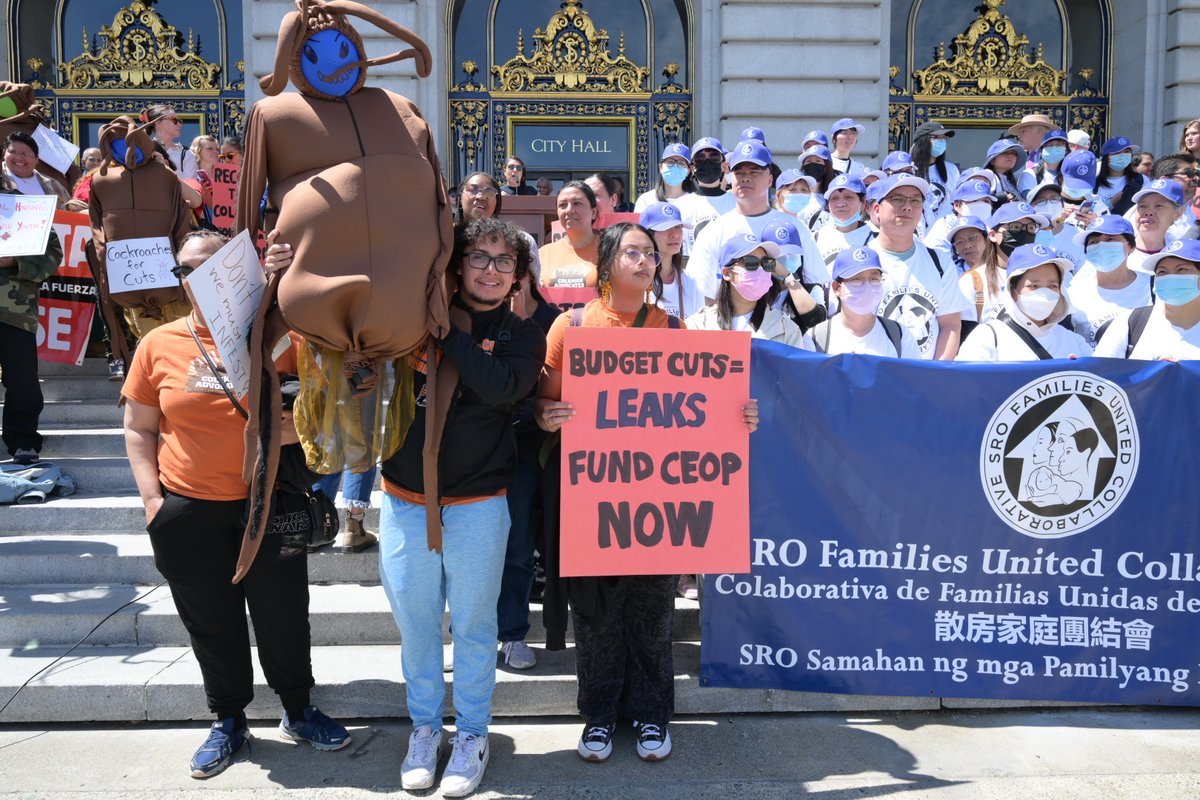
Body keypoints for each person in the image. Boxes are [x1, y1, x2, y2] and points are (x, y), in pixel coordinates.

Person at [122, 230, 350, 779]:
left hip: (269, 504)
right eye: (186, 271)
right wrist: (154, 501)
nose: (197, 279)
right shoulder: (159, 344)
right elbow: (138, 428)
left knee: (284, 614)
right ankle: (228, 720)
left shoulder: (281, 338)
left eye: (210, 267)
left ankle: (297, 709)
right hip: (189, 508)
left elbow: (321, 410)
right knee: (210, 620)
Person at [536, 221, 759, 764]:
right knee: (596, 618)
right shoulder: (572, 326)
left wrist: (739, 418)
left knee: (652, 615)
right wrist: (547, 416)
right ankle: (599, 717)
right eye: (632, 252)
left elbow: (699, 412)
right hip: (593, 499)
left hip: (657, 503)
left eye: (650, 254)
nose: (644, 262)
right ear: (607, 262)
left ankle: (654, 716)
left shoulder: (673, 328)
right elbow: (541, 404)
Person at [380, 216, 545, 796]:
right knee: (418, 627)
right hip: (404, 499)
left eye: (506, 263)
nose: (492, 271)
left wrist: (447, 330)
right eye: (479, 257)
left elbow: (502, 386)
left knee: (474, 627)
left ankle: (472, 733)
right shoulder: (407, 320)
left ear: (519, 276)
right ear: (456, 264)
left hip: (478, 503)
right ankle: (425, 729)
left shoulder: (525, 334)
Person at [687, 140, 822, 302]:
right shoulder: (713, 232)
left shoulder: (796, 227)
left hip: (784, 324)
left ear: (770, 180)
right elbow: (703, 293)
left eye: (754, 172)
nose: (746, 178)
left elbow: (815, 283)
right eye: (739, 173)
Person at [867, 173, 964, 359]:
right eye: (897, 199)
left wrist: (934, 373)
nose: (907, 207)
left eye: (915, 200)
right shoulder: (862, 261)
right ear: (877, 209)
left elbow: (950, 324)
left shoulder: (940, 262)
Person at [0, 176, 62, 465]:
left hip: (15, 311)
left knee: (22, 380)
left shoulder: (24, 206)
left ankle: (23, 440)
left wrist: (15, 261)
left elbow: (52, 254)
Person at [957, 244, 1090, 361]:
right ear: (1013, 290)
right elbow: (966, 384)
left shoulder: (1073, 341)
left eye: (1052, 286)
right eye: (1033, 286)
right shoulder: (987, 337)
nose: (1044, 293)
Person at [686, 230, 805, 346]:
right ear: (727, 273)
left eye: (766, 263)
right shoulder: (697, 326)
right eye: (751, 262)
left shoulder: (787, 330)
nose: (760, 269)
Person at [1094, 238, 1200, 359]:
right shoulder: (1130, 321)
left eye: (1181, 270)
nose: (1170, 277)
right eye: (1162, 272)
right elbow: (1099, 371)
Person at [803, 247, 918, 357]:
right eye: (856, 279)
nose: (867, 286)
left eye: (874, 279)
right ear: (836, 288)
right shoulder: (815, 339)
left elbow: (912, 376)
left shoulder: (900, 336)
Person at [1065, 214, 1151, 348]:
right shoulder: (1072, 294)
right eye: (1093, 242)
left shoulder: (1154, 287)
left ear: (1131, 247)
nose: (1101, 246)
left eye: (1110, 239)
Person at [640, 201, 702, 319]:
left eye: (678, 227)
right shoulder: (636, 280)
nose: (674, 234)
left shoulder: (691, 281)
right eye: (665, 228)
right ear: (647, 235)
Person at [673, 136, 734, 252]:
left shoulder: (737, 204)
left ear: (724, 166)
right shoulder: (680, 206)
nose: (707, 162)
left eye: (714, 157)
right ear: (692, 168)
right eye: (700, 158)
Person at [539, 180, 600, 288]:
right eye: (563, 205)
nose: (569, 210)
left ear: (594, 212)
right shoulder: (543, 255)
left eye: (577, 203)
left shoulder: (610, 252)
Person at [951, 216, 1005, 329]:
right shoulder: (950, 276)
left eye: (973, 238)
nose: (967, 245)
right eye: (959, 242)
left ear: (987, 239)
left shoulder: (1004, 268)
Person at [815, 173, 874, 269]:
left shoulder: (876, 238)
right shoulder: (816, 238)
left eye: (848, 197)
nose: (840, 204)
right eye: (834, 198)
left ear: (863, 202)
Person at [923, 177, 996, 254]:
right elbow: (935, 257)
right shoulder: (945, 225)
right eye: (974, 201)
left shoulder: (993, 225)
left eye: (986, 201)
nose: (981, 205)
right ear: (957, 205)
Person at [1129, 178, 1186, 274]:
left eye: (1159, 206)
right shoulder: (1117, 251)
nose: (1149, 212)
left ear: (1178, 213)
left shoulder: (1182, 256)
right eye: (1143, 206)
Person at [2, 131, 70, 208]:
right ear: (4, 153)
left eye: (26, 154)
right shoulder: (1, 179)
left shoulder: (53, 185)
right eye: (13, 152)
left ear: (36, 158)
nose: (19, 158)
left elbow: (68, 213)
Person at [910, 121, 959, 228]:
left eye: (944, 138)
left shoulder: (951, 170)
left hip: (945, 234)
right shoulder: (909, 169)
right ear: (923, 140)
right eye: (937, 137)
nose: (941, 141)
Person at [1094, 136, 1149, 214]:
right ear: (1106, 157)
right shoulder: (1094, 184)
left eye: (1126, 152)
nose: (1123, 156)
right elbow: (1091, 211)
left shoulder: (1141, 180)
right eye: (1117, 152)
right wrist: (1111, 203)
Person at [634, 143, 694, 212]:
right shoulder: (646, 200)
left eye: (681, 163)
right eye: (670, 162)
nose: (675, 166)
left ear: (689, 171)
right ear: (661, 167)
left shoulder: (695, 202)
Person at [143, 104, 198, 180]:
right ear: (158, 123)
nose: (180, 125)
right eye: (174, 120)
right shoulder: (143, 151)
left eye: (179, 121)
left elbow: (190, 189)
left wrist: (167, 169)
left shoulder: (187, 155)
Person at [1018, 129, 1070, 196]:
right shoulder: (1031, 174)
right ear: (1041, 150)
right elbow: (1029, 200)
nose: (1054, 148)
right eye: (1050, 145)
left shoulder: (1070, 175)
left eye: (1058, 145)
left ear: (1066, 150)